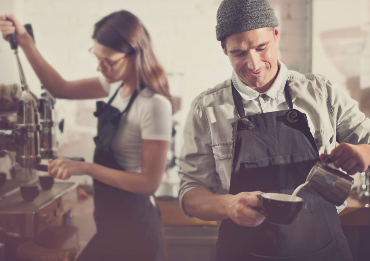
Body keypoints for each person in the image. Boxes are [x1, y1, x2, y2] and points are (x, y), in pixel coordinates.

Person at [178, 0, 370, 260]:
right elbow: (190, 192)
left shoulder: (322, 93)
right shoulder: (207, 108)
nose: (253, 64)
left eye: (261, 47)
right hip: (243, 253)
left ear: (276, 35)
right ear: (224, 49)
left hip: (324, 250)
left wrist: (364, 152)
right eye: (238, 53)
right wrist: (227, 204)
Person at [1, 10, 172, 261]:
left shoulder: (154, 104)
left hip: (135, 231)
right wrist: (25, 40)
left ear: (135, 54)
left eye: (109, 61)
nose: (100, 67)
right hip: (108, 222)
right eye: (96, 56)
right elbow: (59, 87)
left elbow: (149, 183)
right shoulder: (114, 85)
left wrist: (87, 168)